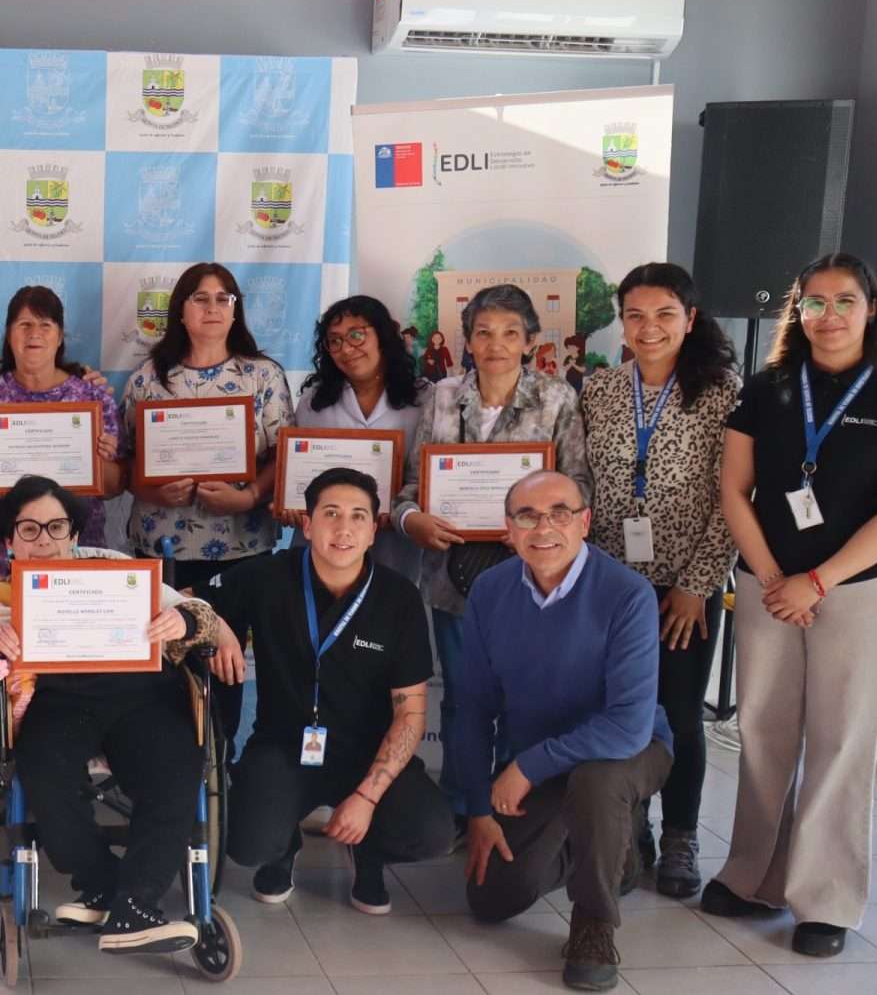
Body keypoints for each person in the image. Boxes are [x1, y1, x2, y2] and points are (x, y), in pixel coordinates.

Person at [703, 253, 877, 958]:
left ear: (871, 310)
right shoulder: (766, 391)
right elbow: (733, 492)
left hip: (856, 591)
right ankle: (753, 878)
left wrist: (819, 581)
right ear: (796, 312)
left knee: (841, 741)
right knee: (765, 733)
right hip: (769, 585)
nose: (828, 316)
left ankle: (826, 899)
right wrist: (776, 578)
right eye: (814, 302)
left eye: (844, 302)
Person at [0, 476, 219, 953]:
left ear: (76, 534)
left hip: (140, 696)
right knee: (44, 773)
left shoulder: (117, 570)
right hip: (58, 703)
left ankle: (135, 904)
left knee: (177, 765)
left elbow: (203, 616)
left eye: (56, 526)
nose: (44, 540)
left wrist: (182, 621)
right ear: (8, 541)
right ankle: (104, 886)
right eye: (29, 529)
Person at [459, 470, 672, 993]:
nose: (543, 527)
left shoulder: (628, 594)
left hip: (631, 750)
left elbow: (626, 726)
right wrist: (478, 809)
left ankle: (594, 924)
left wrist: (526, 768)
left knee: (597, 783)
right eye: (527, 516)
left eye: (559, 513)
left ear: (584, 522)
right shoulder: (490, 591)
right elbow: (469, 706)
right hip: (546, 759)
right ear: (508, 530)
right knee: (492, 899)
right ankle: (614, 846)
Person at [391, 284, 591, 829]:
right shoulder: (438, 398)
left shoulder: (557, 399)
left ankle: (522, 806)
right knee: (463, 698)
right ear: (467, 340)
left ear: (530, 341)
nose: (496, 344)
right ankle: (465, 805)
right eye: (484, 332)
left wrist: (536, 525)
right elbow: (409, 489)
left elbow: (577, 488)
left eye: (510, 333)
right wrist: (415, 522)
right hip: (452, 580)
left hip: (535, 578)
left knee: (532, 697)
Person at [218, 468, 452, 912]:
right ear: (307, 525)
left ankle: (369, 853)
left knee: (432, 832)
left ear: (372, 531)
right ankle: (283, 848)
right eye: (330, 514)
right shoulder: (266, 577)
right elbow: (185, 601)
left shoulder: (398, 598)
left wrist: (366, 798)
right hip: (284, 748)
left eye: (358, 516)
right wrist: (217, 629)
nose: (343, 528)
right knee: (248, 844)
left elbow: (410, 715)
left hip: (365, 754)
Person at [579, 263, 740, 898]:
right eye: (637, 315)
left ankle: (680, 836)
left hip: (684, 589)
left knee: (678, 713)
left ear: (691, 319)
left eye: (665, 314)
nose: (649, 329)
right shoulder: (601, 390)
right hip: (611, 588)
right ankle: (632, 830)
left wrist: (698, 584)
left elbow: (736, 498)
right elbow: (590, 485)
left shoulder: (724, 392)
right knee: (621, 711)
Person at [120, 263, 291, 738]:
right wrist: (156, 490)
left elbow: (287, 455)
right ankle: (172, 775)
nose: (213, 307)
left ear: (236, 311)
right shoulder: (147, 380)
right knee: (165, 668)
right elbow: (126, 465)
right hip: (163, 550)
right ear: (180, 310)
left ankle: (220, 773)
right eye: (200, 298)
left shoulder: (263, 376)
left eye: (224, 298)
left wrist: (250, 496)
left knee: (226, 667)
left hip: (241, 550)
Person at [0, 286, 123, 591]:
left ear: (60, 336)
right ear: (9, 334)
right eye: (24, 324)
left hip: (72, 555)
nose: (34, 333)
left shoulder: (92, 396)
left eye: (45, 325)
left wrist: (99, 464)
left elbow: (116, 484)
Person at [290, 295, 429, 580]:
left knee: (391, 609)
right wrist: (290, 503)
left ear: (383, 335)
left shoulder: (426, 397)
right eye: (335, 341)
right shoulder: (314, 401)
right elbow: (297, 474)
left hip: (395, 538)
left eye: (356, 335)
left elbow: (427, 475)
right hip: (329, 539)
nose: (346, 349)